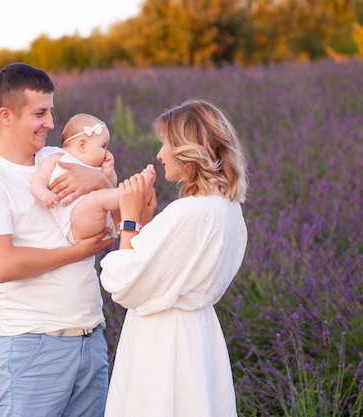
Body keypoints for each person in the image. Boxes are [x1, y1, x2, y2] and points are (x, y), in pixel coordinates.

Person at [0, 62, 115, 417]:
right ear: (7, 116)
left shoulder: (57, 158)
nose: (50, 123)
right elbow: (2, 264)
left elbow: (110, 212)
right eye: (40, 113)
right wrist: (78, 251)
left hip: (90, 339)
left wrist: (103, 182)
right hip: (34, 347)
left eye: (51, 111)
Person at [99, 99, 248, 417]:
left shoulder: (190, 211)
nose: (159, 154)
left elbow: (125, 283)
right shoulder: (226, 208)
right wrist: (148, 222)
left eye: (166, 144)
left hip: (166, 342)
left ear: (187, 150)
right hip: (198, 333)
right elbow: (167, 269)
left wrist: (129, 219)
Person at [31, 112, 156, 243]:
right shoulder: (57, 159)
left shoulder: (94, 167)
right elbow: (38, 180)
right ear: (82, 145)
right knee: (96, 199)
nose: (107, 152)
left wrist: (108, 171)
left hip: (104, 219)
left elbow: (109, 188)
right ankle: (133, 190)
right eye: (103, 146)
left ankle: (134, 192)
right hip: (75, 223)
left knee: (101, 199)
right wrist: (44, 194)